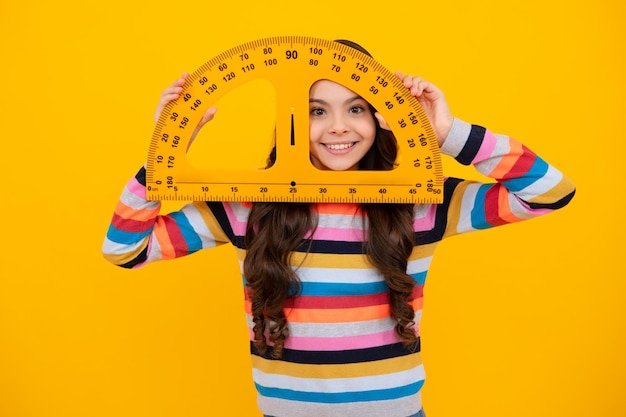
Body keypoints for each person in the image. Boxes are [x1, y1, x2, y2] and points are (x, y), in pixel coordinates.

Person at [102, 40, 575, 417]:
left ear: (381, 115)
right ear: (289, 118)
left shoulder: (422, 202)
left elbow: (550, 192)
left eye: (356, 108)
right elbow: (125, 249)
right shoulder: (245, 208)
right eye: (315, 110)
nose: (336, 128)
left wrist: (447, 134)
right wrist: (160, 158)